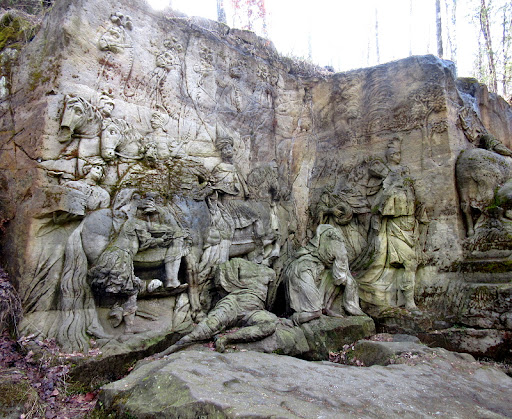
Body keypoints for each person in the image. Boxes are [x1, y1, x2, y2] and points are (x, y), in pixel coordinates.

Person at [155, 258, 278, 356]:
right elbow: (270, 301)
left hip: (252, 309)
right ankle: (166, 352)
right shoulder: (241, 264)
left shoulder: (267, 272)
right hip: (234, 303)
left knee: (268, 325)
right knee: (206, 328)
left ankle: (227, 339)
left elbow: (221, 281)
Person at [283, 224, 365, 325]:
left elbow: (341, 275)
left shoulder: (328, 261)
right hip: (303, 277)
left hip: (317, 284)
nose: (332, 259)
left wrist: (347, 281)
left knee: (337, 276)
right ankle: (292, 320)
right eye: (333, 257)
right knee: (314, 312)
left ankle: (324, 308)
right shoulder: (303, 266)